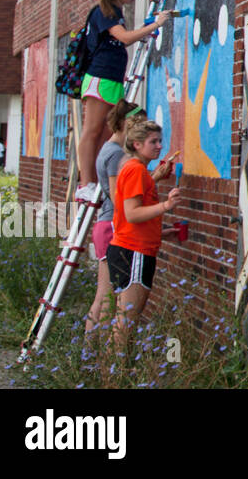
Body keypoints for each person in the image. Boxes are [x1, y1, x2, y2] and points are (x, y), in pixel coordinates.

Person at [77, 0, 172, 197]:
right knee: (92, 131)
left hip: (111, 79)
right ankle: (85, 184)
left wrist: (145, 31)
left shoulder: (115, 12)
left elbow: (123, 38)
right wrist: (155, 25)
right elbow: (125, 38)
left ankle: (98, 182)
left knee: (105, 133)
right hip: (100, 78)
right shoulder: (104, 11)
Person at [106, 118, 181, 346]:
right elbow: (132, 214)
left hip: (130, 248)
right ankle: (115, 377)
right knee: (126, 324)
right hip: (133, 252)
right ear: (137, 144)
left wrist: (160, 232)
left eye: (160, 141)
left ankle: (111, 374)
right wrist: (166, 206)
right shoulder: (135, 170)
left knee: (123, 321)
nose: (159, 146)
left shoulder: (136, 169)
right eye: (153, 141)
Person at [86, 100, 143, 335]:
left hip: (104, 223)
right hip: (111, 224)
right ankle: (94, 356)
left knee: (103, 294)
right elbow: (119, 196)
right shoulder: (116, 154)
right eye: (138, 125)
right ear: (126, 123)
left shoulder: (108, 150)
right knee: (107, 296)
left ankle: (89, 355)